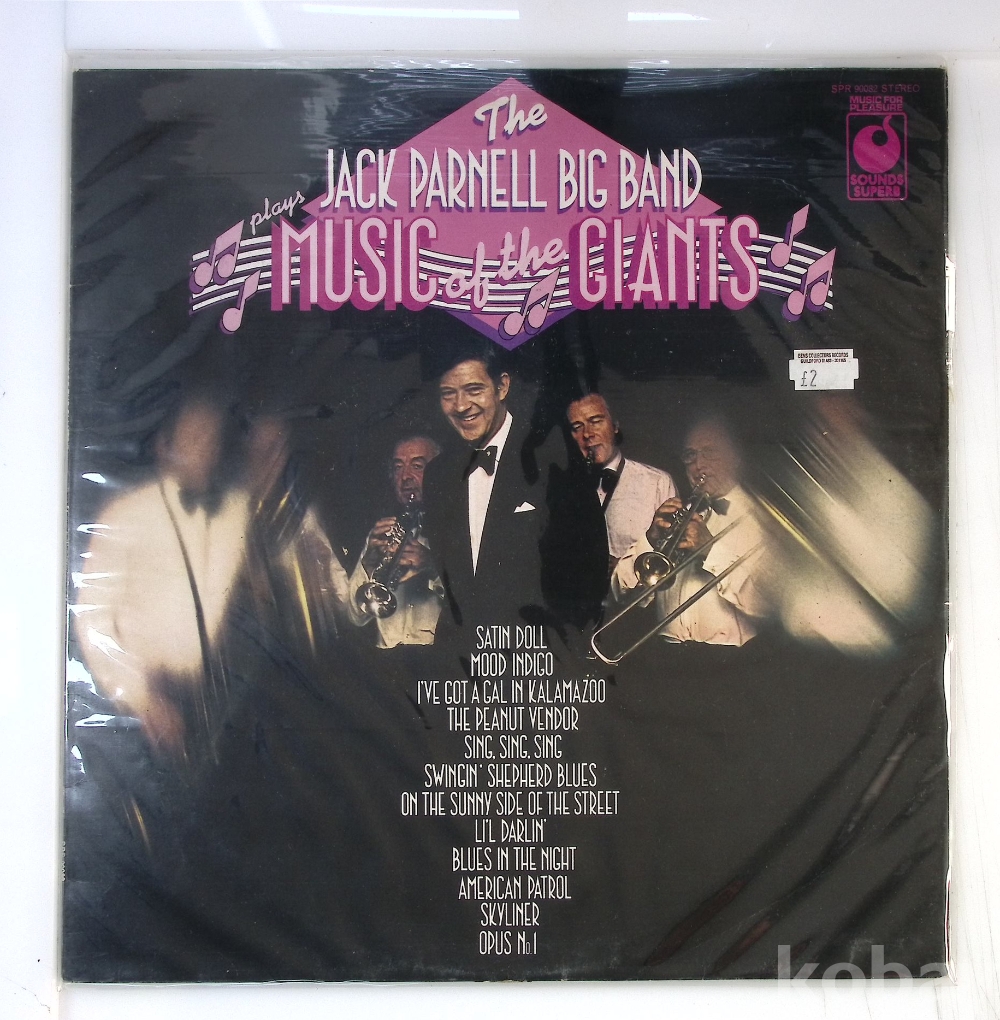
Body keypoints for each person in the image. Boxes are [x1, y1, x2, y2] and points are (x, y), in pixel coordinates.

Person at [71, 397, 249, 754]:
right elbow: (92, 617)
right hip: (140, 706)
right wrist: (141, 698)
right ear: (163, 446)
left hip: (223, 702)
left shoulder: (236, 514)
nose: (203, 448)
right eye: (192, 437)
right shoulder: (124, 513)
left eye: (211, 438)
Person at [420, 345, 607, 651]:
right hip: (460, 657)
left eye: (474, 390)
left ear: (502, 386)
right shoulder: (437, 473)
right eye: (448, 394)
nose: (461, 405)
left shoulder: (556, 457)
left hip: (537, 655)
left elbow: (589, 574)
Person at [611, 413, 766, 647]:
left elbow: (767, 605)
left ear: (735, 457)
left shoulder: (762, 520)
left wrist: (711, 550)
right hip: (666, 654)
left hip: (729, 660)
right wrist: (651, 539)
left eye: (709, 452)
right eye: (690, 455)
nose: (698, 465)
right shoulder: (681, 517)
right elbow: (620, 592)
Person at [346, 435, 444, 648]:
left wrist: (434, 568)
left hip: (438, 655)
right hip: (388, 658)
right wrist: (368, 563)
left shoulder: (461, 529)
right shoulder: (382, 532)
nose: (405, 477)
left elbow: (479, 606)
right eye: (398, 467)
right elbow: (356, 617)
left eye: (417, 466)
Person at [567, 392, 677, 576]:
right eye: (577, 427)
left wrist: (624, 567)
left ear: (615, 426)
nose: (587, 434)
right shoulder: (561, 489)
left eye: (595, 421)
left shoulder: (658, 482)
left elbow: (670, 560)